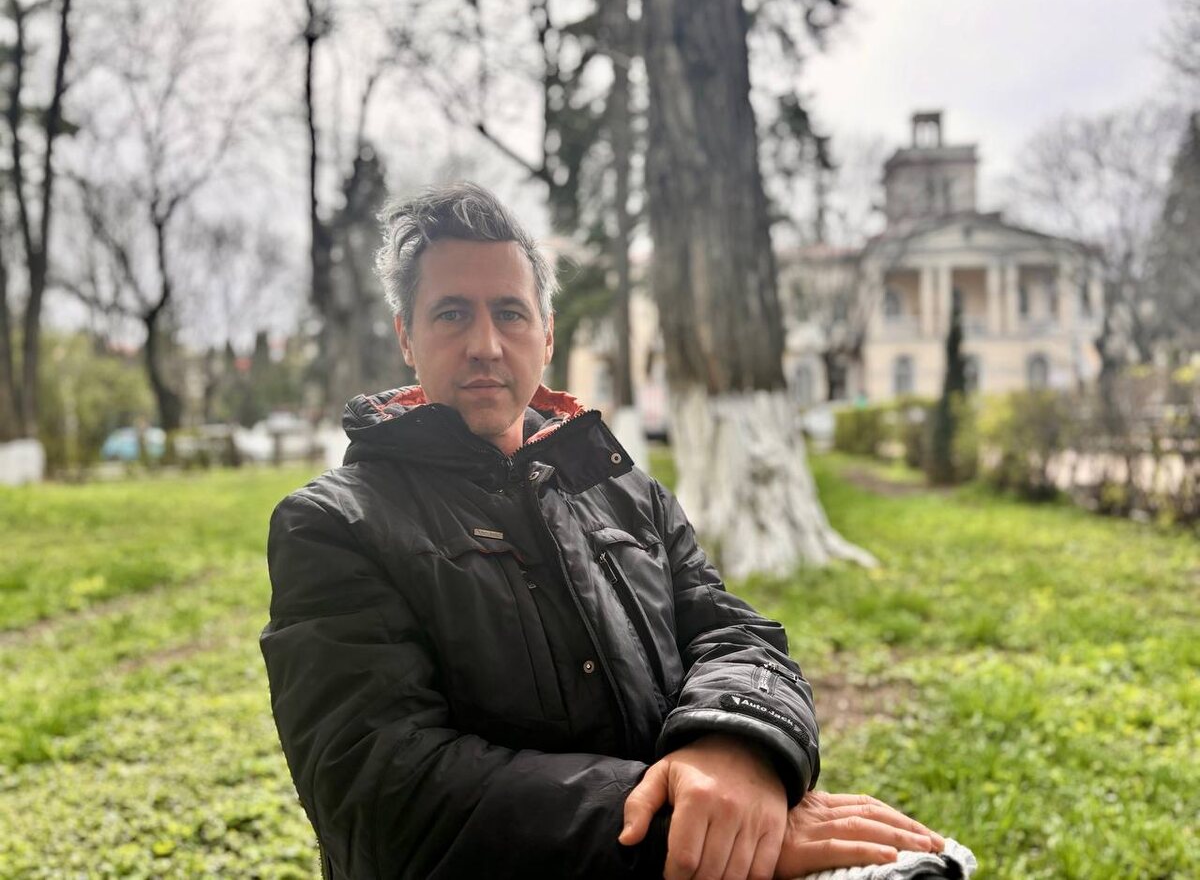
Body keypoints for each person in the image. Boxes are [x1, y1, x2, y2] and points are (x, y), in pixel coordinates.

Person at [261, 183, 944, 880]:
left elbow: (731, 633)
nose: (485, 345)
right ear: (407, 336)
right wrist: (682, 827)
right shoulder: (334, 525)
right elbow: (382, 791)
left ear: (547, 335)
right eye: (452, 314)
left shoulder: (627, 491)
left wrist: (734, 748)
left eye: (510, 313)